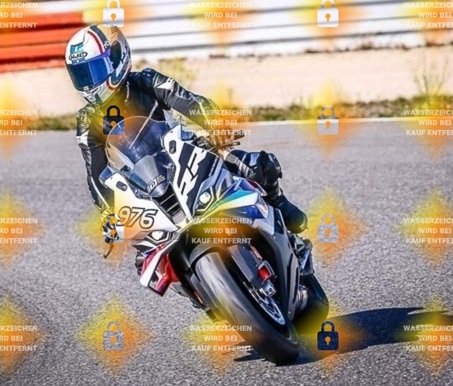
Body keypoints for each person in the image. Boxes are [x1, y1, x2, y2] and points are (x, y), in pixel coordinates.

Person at [66, 24, 308, 243]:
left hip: (183, 154)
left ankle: (277, 202)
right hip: (141, 186)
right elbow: (96, 176)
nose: (88, 83)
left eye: (93, 71)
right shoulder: (87, 122)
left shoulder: (147, 81)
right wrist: (108, 212)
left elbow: (192, 102)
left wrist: (215, 125)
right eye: (81, 75)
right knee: (145, 253)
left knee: (255, 165)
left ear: (117, 57)